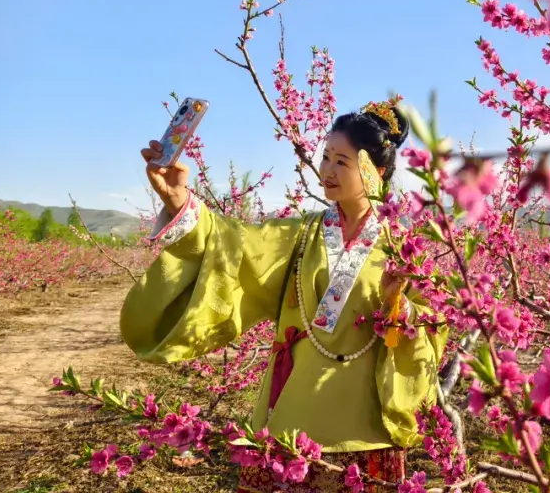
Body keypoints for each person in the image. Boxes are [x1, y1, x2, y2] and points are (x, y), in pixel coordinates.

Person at [121, 97, 448, 492]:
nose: (325, 169)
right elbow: (235, 245)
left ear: (375, 171)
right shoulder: (300, 235)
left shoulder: (403, 246)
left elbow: (434, 328)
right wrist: (178, 200)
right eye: (325, 156)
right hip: (292, 417)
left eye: (341, 161)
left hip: (366, 427)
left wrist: (402, 305)